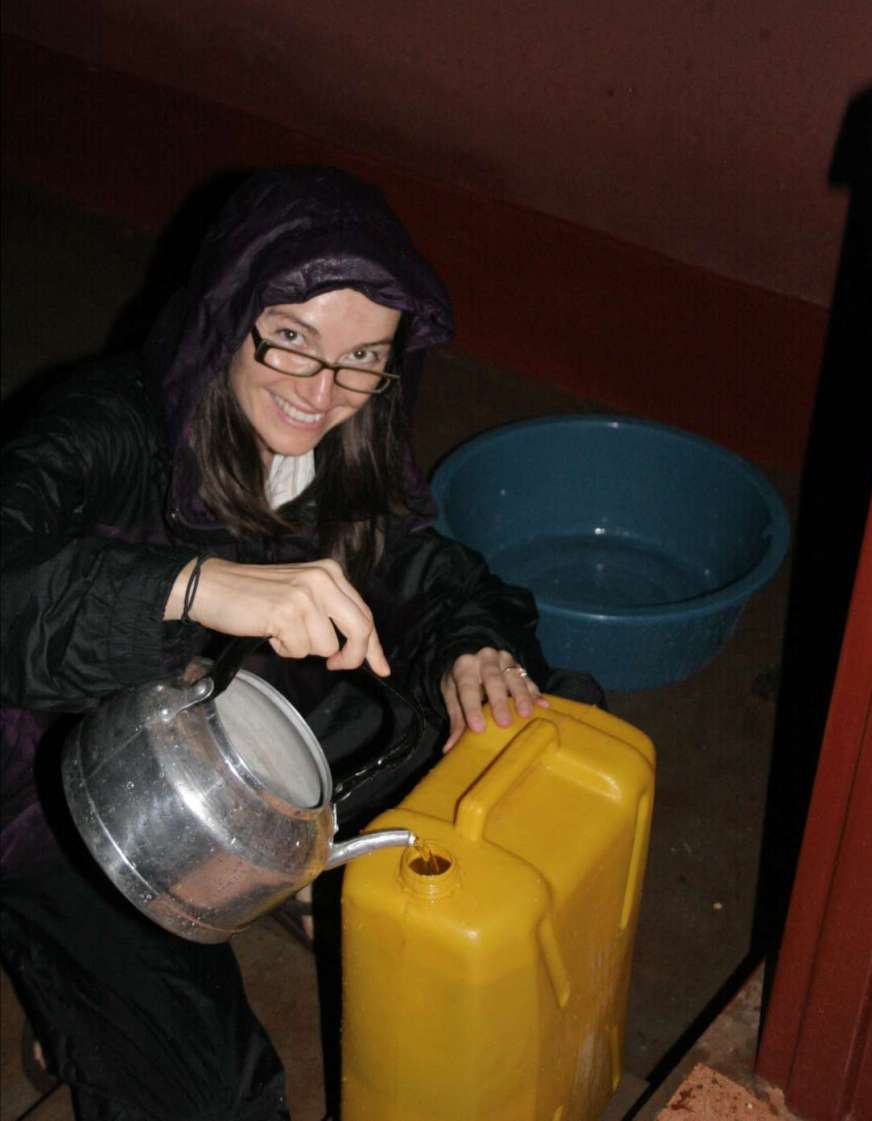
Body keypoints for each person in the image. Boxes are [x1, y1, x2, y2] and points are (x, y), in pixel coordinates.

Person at [0, 166, 602, 1120]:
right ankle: (74, 999)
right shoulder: (108, 425)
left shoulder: (343, 435)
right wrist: (191, 584)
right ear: (226, 315)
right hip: (57, 782)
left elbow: (416, 570)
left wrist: (475, 649)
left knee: (529, 726)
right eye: (291, 340)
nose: (322, 392)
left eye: (365, 356)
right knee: (212, 1099)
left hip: (224, 725)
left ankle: (292, 872)